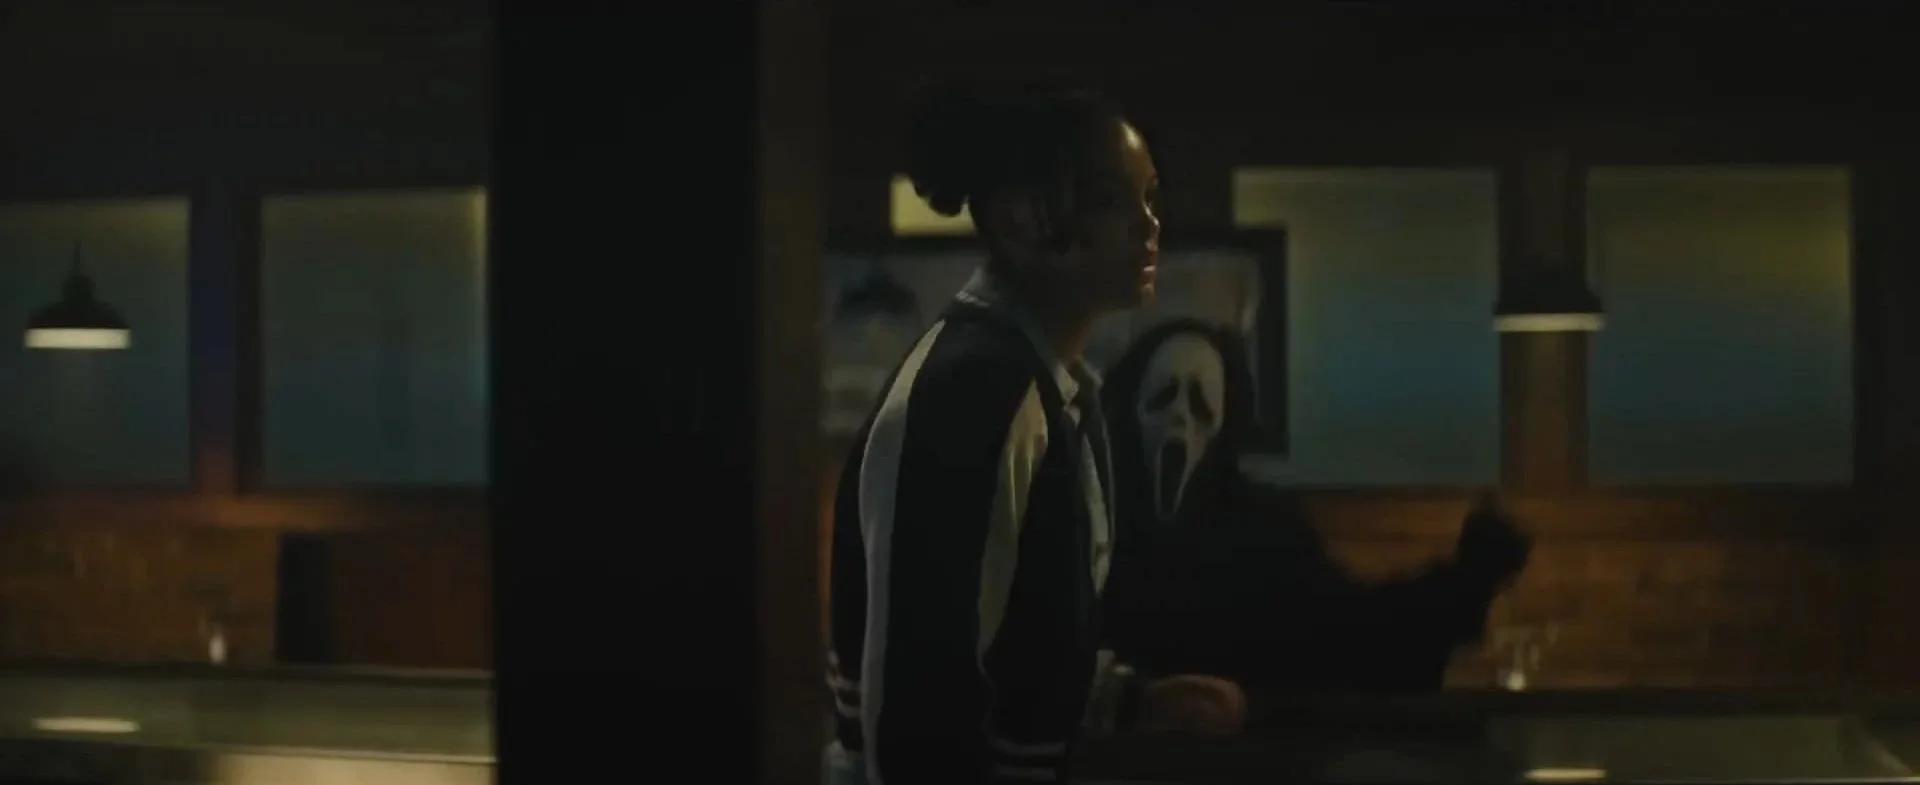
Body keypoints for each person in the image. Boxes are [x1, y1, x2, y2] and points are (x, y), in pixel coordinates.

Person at [823, 81, 1245, 785]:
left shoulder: (1046, 384)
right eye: (1111, 200)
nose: (1147, 224)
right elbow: (917, 706)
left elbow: (1008, 645)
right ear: (1020, 219)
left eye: (1150, 197)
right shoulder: (975, 394)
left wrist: (1122, 698)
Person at [1099, 318, 1533, 694]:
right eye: (1163, 396)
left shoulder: (1266, 533)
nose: (1179, 418)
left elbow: (1351, 632)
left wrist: (1464, 583)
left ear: (1226, 420)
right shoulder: (1092, 520)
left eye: (1200, 403)